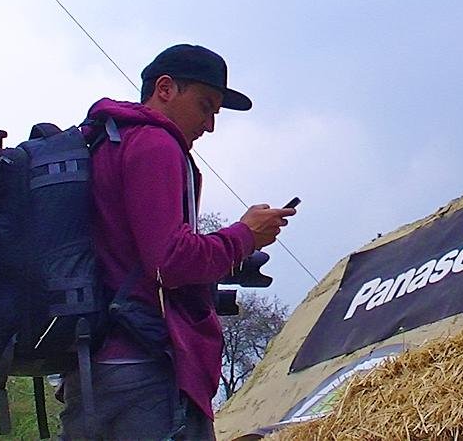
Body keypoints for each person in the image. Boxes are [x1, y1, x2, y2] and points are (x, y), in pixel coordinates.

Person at [59, 44, 295, 440]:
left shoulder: (105, 143)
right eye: (205, 106)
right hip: (144, 371)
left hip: (92, 370)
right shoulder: (155, 143)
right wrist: (244, 236)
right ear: (165, 89)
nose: (210, 125)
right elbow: (170, 260)